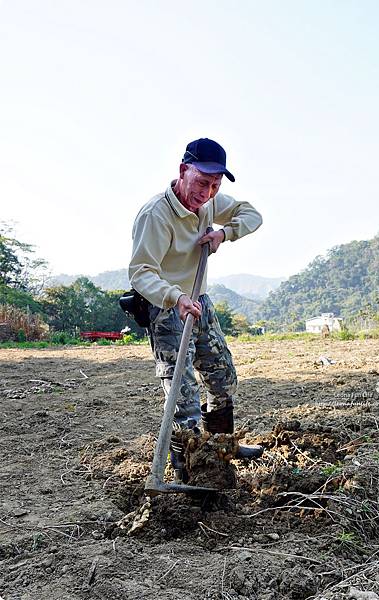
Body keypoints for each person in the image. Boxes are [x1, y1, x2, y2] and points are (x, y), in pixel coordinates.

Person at [129, 138, 263, 481]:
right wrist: (175, 298)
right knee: (183, 393)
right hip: (167, 307)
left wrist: (224, 233)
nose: (207, 192)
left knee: (222, 378)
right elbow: (141, 272)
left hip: (199, 301)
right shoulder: (156, 214)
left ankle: (221, 446)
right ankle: (188, 467)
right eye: (202, 182)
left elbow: (252, 214)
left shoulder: (209, 202)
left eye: (215, 185)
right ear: (183, 171)